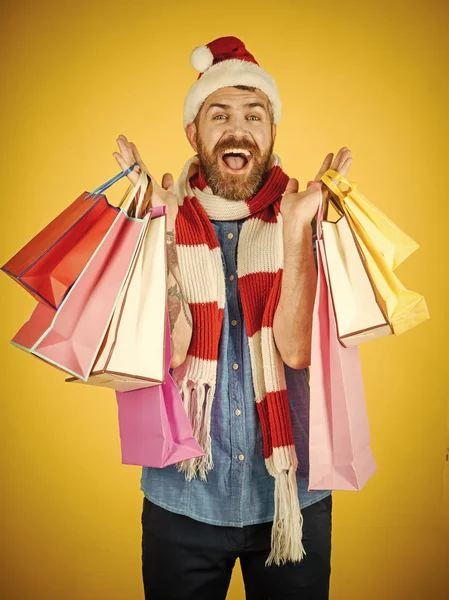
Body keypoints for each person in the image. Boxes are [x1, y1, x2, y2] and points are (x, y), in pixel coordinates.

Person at [113, 35, 352, 600]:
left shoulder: (314, 219)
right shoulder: (156, 220)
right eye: (218, 115)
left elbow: (297, 351)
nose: (238, 128)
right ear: (194, 134)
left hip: (291, 503)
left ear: (271, 133)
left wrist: (296, 230)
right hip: (183, 500)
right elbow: (168, 356)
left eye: (254, 114)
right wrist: (158, 236)